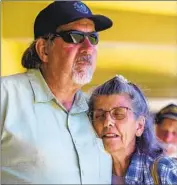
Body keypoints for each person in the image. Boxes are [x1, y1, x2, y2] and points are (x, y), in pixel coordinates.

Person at [1, 1, 113, 184]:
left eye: (93, 38)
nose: (88, 48)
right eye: (75, 37)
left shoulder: (98, 112)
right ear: (44, 49)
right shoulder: (6, 96)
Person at [88, 75, 177, 185]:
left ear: (139, 126)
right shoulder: (87, 172)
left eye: (119, 113)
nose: (107, 122)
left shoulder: (165, 172)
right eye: (100, 115)